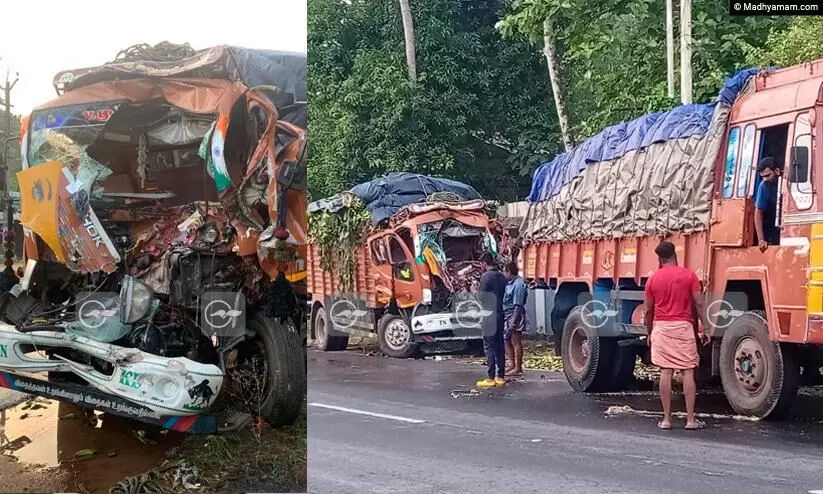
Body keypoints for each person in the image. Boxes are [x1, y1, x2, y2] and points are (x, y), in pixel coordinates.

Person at [643, 241, 709, 430]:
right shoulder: (689, 276)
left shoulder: (653, 279)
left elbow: (648, 311)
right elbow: (700, 304)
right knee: (688, 370)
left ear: (659, 259)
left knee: (666, 371)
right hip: (683, 327)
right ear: (675, 255)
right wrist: (706, 327)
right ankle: (690, 420)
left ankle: (666, 420)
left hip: (662, 327)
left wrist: (649, 332)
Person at [476, 254, 507, 388]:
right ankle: (500, 376)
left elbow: (482, 297)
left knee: (489, 346)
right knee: (500, 345)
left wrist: (474, 290)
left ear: (484, 263)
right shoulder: (502, 277)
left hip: (489, 315)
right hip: (501, 313)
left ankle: (490, 377)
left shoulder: (486, 277)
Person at [503, 262, 527, 376]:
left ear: (509, 271)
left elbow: (518, 305)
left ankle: (518, 367)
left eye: (505, 272)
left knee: (516, 341)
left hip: (514, 315)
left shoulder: (519, 284)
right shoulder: (509, 283)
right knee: (506, 340)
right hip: (507, 315)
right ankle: (511, 364)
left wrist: (514, 321)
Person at [754, 157, 781, 251]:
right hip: (772, 222)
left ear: (777, 171)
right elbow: (758, 212)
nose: (764, 179)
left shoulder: (789, 180)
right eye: (762, 176)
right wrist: (761, 239)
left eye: (768, 175)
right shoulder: (763, 186)